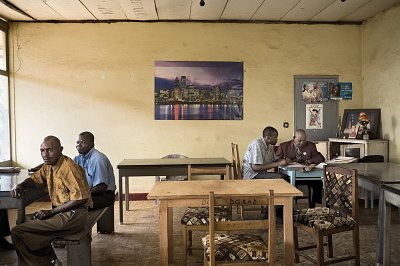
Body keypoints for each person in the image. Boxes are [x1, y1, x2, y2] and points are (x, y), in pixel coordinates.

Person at [10, 136, 92, 265]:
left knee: (18, 231)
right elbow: (35, 179)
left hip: (74, 215)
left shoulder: (68, 167)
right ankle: (50, 261)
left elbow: (81, 199)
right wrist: (20, 185)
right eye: (42, 150)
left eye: (49, 150)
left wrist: (51, 212)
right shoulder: (48, 166)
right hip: (61, 214)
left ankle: (45, 262)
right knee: (24, 220)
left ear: (60, 149)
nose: (45, 154)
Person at [276, 129, 325, 207]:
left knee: (318, 182)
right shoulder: (284, 146)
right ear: (294, 138)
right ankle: (286, 206)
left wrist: (310, 161)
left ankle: (313, 206)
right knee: (282, 182)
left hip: (305, 174)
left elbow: (320, 157)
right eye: (299, 141)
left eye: (304, 141)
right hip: (288, 176)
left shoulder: (310, 145)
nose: (301, 143)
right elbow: (276, 160)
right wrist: (285, 161)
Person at [74, 131, 116, 210]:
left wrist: (82, 194)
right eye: (77, 142)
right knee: (63, 201)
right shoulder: (78, 158)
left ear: (92, 144)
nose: (79, 145)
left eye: (83, 142)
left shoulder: (97, 159)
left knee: (75, 205)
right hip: (89, 193)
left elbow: (101, 187)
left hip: (104, 195)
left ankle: (79, 222)